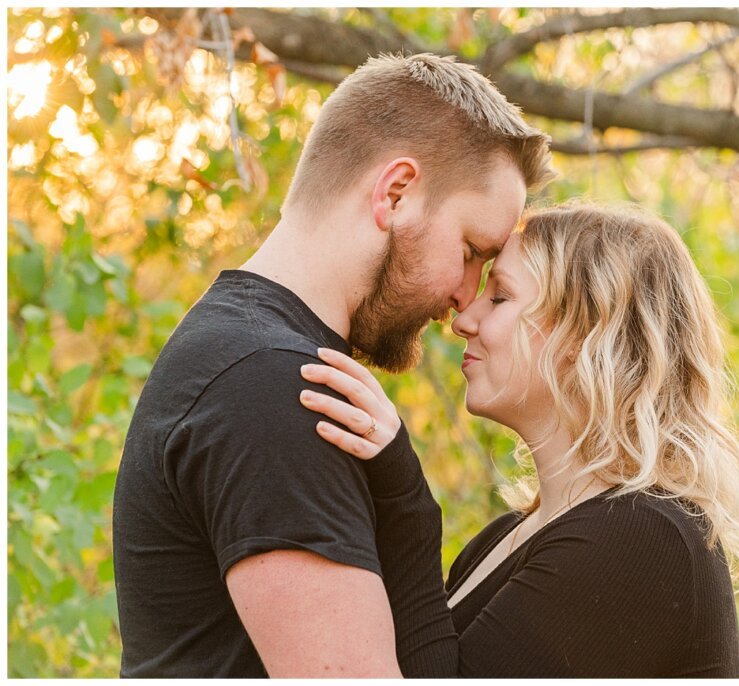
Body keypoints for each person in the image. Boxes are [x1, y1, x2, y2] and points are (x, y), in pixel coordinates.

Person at [111, 52, 554, 677]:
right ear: (396, 193)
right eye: (470, 251)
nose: (465, 296)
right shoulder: (273, 389)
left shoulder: (248, 353)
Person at [300, 203, 739, 677]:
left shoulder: (642, 539)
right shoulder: (500, 540)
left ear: (585, 337)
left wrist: (406, 505)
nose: (463, 320)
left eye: (500, 297)